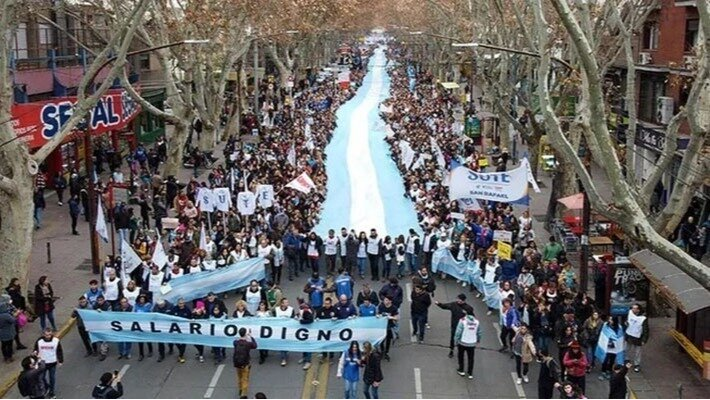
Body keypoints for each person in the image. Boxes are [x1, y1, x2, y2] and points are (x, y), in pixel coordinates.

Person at [435, 294, 474, 358]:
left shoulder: (468, 308)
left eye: (460, 299)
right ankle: (451, 350)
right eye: (458, 299)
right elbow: (445, 306)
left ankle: (461, 351)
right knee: (453, 338)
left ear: (463, 300)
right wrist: (439, 304)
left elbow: (472, 317)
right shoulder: (454, 304)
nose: (458, 300)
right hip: (455, 325)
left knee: (462, 339)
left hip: (463, 327)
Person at [34, 327, 63, 398]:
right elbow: (35, 348)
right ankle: (47, 386)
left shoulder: (56, 341)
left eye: (50, 334)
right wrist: (35, 352)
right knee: (42, 377)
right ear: (43, 334)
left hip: (52, 362)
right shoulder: (39, 340)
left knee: (52, 378)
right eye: (47, 335)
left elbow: (59, 350)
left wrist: (61, 360)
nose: (48, 336)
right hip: (42, 362)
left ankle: (52, 392)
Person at [454, 311, 480, 380]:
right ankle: (470, 373)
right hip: (472, 343)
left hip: (463, 342)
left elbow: (458, 332)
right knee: (471, 358)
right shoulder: (477, 322)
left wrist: (456, 340)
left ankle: (461, 370)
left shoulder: (462, 321)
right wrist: (478, 339)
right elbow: (479, 332)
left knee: (461, 356)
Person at [233, 327, 257, 399]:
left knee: (239, 377)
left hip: (237, 363)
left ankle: (240, 388)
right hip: (245, 363)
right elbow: (255, 345)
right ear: (246, 334)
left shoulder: (236, 343)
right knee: (245, 378)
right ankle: (243, 394)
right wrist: (251, 336)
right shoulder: (248, 344)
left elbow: (235, 341)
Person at [624, 303, 649, 372]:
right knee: (626, 349)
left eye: (635, 308)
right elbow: (627, 321)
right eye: (632, 308)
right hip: (629, 335)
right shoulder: (630, 314)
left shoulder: (643, 318)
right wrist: (626, 323)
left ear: (638, 310)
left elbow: (645, 329)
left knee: (637, 352)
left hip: (638, 337)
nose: (633, 309)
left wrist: (644, 339)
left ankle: (637, 364)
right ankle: (626, 360)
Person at [376, 296, 398, 361]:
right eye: (384, 300)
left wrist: (391, 317)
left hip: (389, 327)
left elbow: (397, 318)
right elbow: (378, 314)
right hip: (382, 327)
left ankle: (386, 352)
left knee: (388, 341)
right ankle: (382, 352)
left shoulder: (393, 308)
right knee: (381, 341)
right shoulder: (381, 306)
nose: (384, 301)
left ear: (390, 301)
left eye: (386, 300)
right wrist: (378, 316)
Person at [1, 294, 17, 363]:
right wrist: (15, 315)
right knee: (9, 345)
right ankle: (9, 357)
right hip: (8, 332)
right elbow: (13, 320)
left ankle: (5, 357)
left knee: (3, 345)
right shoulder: (6, 315)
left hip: (1, 333)